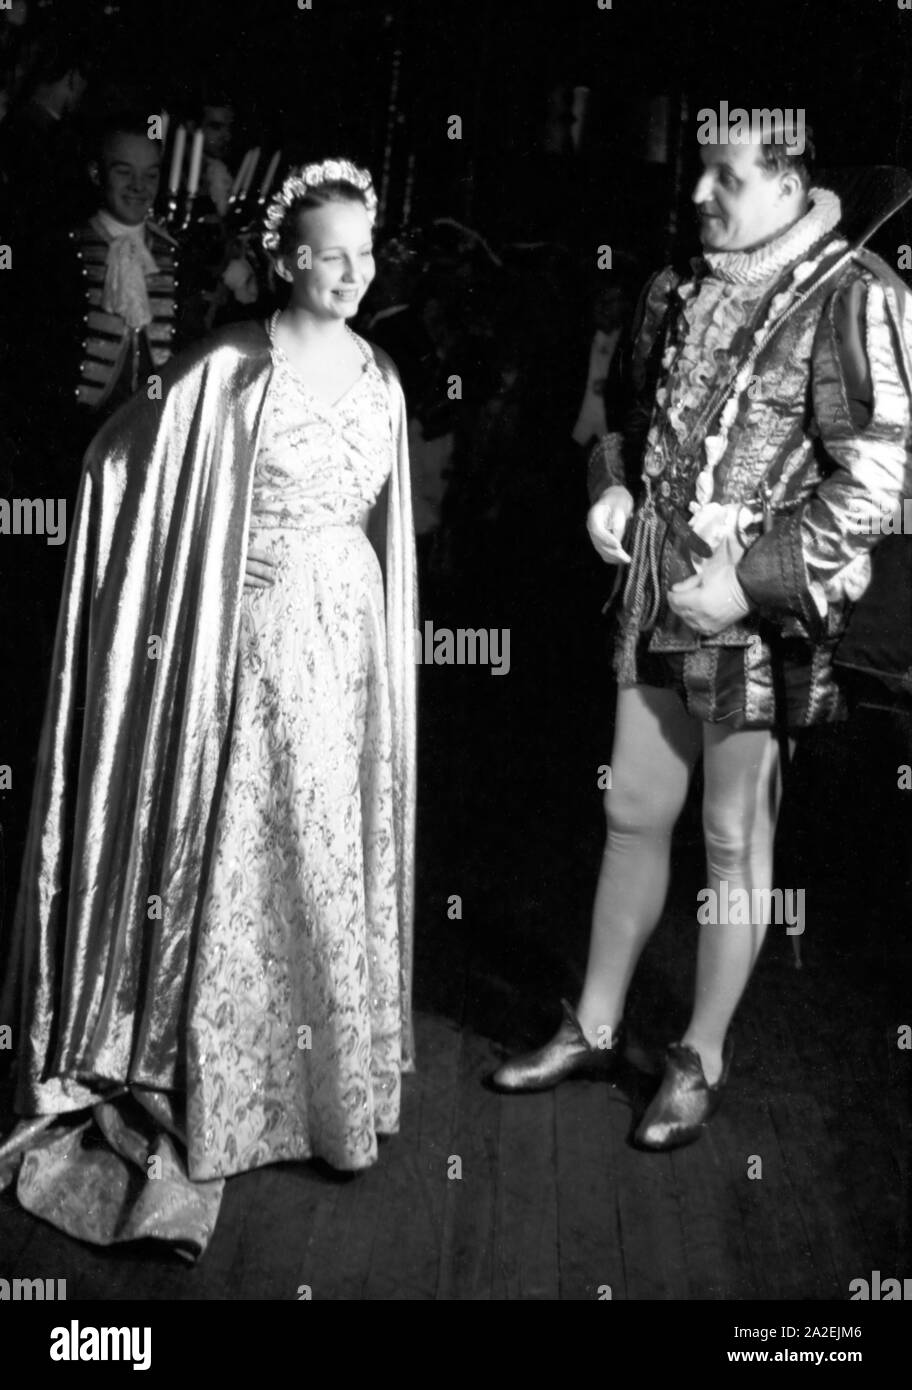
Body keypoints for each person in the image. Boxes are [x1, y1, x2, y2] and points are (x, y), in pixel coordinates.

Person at [0, 158, 417, 1255]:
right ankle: (224, 1084)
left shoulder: (383, 376)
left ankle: (325, 1093)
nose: (350, 272)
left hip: (349, 645)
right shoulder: (231, 365)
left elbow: (385, 527)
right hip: (251, 645)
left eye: (363, 254)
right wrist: (193, 578)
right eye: (328, 253)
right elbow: (116, 464)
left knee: (328, 854)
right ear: (285, 258)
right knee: (245, 848)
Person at [492, 121, 912, 1149]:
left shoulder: (859, 294)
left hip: (759, 617)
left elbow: (876, 485)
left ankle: (701, 1055)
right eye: (698, 175)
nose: (699, 197)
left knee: (734, 839)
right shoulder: (677, 284)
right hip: (655, 585)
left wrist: (750, 585)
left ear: (786, 179)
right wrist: (611, 486)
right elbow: (624, 413)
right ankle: (593, 1025)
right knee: (633, 811)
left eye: (726, 179)